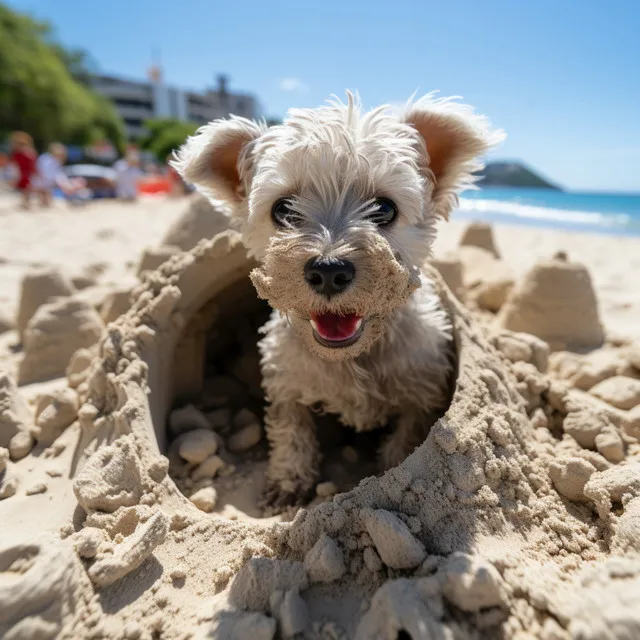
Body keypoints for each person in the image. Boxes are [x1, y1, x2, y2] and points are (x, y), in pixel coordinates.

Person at [8, 132, 37, 209]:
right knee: (24, 189)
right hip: (22, 173)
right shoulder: (18, 154)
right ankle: (25, 203)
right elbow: (14, 165)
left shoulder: (27, 153)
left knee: (26, 189)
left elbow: (32, 164)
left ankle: (26, 203)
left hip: (26, 173)